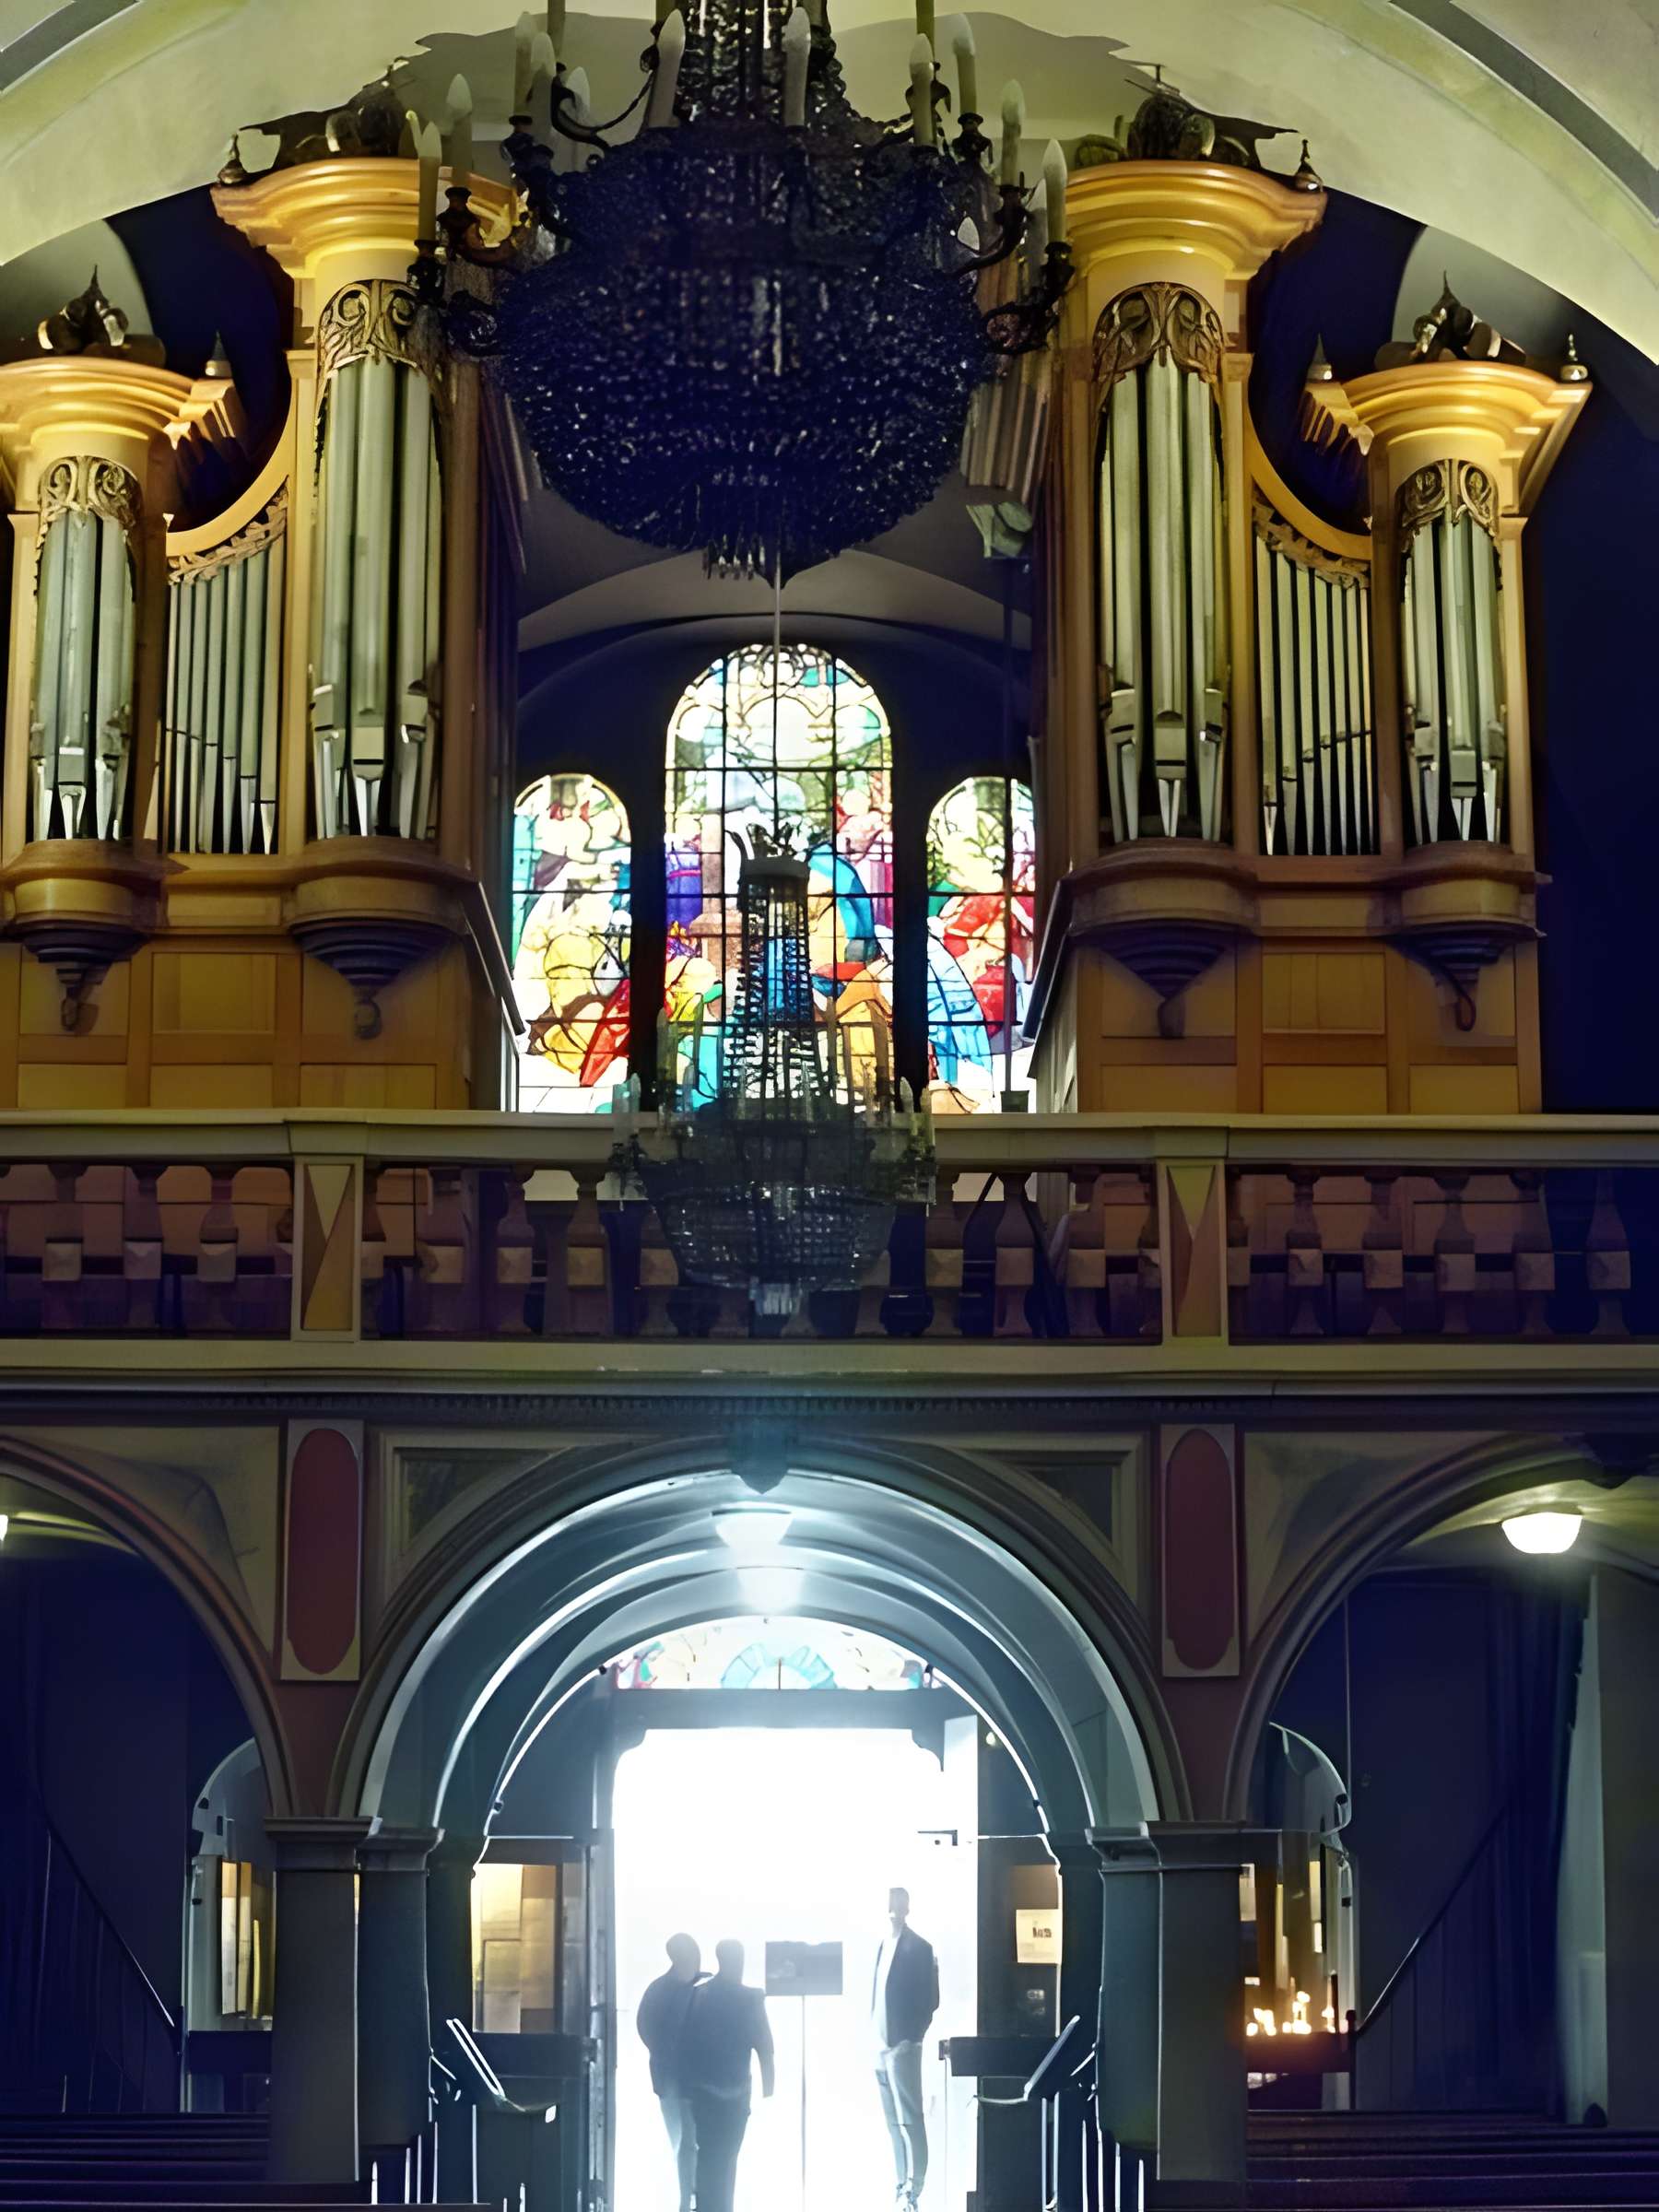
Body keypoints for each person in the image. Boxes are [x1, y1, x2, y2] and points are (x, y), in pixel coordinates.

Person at [684, 1937, 774, 2212]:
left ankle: (705, 2206)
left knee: (708, 2154)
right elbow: (765, 2046)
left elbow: (688, 2044)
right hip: (735, 2093)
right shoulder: (751, 1998)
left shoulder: (699, 1994)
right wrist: (769, 2087)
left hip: (703, 2091)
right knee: (727, 2157)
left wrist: (687, 2086)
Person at [872, 1887, 939, 2209]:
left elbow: (930, 2000)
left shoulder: (920, 1948)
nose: (893, 1908)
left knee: (911, 2118)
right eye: (889, 1902)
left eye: (898, 1902)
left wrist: (910, 2039)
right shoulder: (882, 1945)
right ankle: (901, 2183)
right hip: (881, 2045)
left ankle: (916, 2188)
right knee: (892, 2121)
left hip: (903, 2045)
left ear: (907, 1907)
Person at [637, 1932, 704, 2212]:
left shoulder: (661, 1990)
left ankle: (689, 2197)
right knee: (687, 2141)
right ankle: (688, 2197)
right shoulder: (694, 1989)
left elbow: (645, 2028)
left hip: (675, 2077)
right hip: (679, 2078)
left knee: (686, 2140)